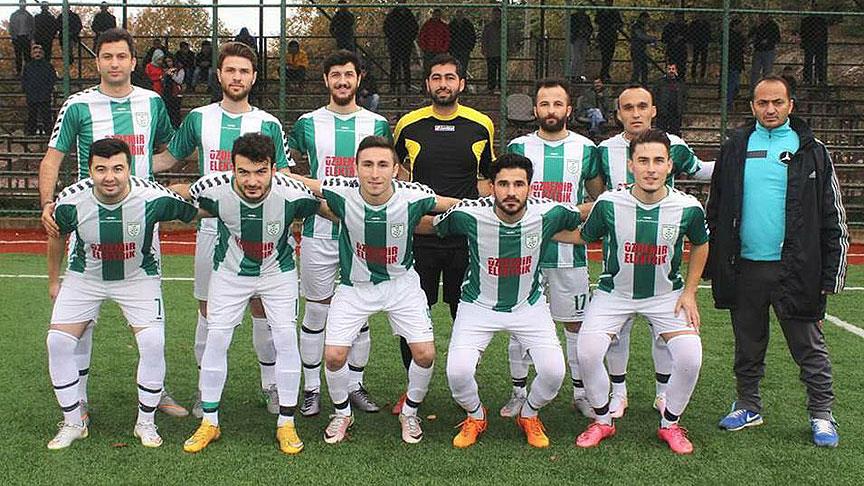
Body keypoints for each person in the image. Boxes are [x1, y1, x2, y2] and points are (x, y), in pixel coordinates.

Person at [38, 28, 183, 417]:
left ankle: (157, 391)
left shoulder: (152, 102)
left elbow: (167, 153)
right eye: (107, 56)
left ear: (134, 62)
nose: (114, 63)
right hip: (89, 224)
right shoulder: (77, 105)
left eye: (121, 56)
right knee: (80, 319)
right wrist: (48, 203)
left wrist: (148, 177)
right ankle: (79, 397)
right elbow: (52, 159)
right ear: (97, 61)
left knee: (151, 317)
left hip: (141, 225)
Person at [153, 41, 294, 419]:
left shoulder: (268, 123)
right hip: (212, 230)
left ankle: (272, 385)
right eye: (230, 70)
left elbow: (283, 177)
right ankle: (206, 390)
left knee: (263, 309)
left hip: (260, 233)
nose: (236, 77)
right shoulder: (199, 118)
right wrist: (126, 169)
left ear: (254, 77)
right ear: (219, 74)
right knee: (208, 310)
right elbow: (168, 159)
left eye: (244, 71)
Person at [707, 75, 849, 448]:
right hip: (746, 268)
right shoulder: (735, 147)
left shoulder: (812, 149)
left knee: (809, 347)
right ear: (752, 106)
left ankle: (821, 413)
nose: (770, 109)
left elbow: (833, 214)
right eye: (762, 103)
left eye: (777, 102)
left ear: (790, 105)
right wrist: (717, 262)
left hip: (797, 268)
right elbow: (716, 208)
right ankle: (748, 405)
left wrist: (831, 273)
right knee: (747, 344)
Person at [289, 136, 459, 445]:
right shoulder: (343, 192)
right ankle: (342, 413)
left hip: (401, 286)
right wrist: (273, 176)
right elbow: (308, 184)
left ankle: (410, 412)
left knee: (425, 354)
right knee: (334, 357)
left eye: (383, 165)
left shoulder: (413, 195)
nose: (375, 173)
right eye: (367, 165)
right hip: (355, 288)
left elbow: (451, 205)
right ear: (356, 168)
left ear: (395, 169)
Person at [45, 138, 199, 450]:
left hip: (137, 278)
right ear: (90, 170)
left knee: (153, 342)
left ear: (129, 168)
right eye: (101, 169)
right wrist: (53, 281)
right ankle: (73, 422)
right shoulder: (70, 200)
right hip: (85, 278)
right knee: (57, 342)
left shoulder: (152, 197)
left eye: (117, 168)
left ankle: (146, 423)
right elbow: (56, 235)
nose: (109, 177)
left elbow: (197, 210)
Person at [428, 154, 588, 449]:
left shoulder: (549, 212)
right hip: (477, 306)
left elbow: (583, 213)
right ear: (491, 187)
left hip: (529, 305)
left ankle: (529, 414)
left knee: (554, 372)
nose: (511, 192)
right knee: (457, 372)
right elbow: (431, 225)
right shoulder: (468, 214)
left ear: (530, 187)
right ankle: (476, 415)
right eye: (503, 184)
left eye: (518, 184)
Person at [568, 129, 709, 455]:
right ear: (631, 165)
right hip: (614, 294)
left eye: (658, 161)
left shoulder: (688, 207)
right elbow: (584, 236)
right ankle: (602, 420)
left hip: (666, 296)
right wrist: (539, 227)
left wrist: (690, 292)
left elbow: (701, 244)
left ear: (670, 166)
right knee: (587, 352)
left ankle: (670, 424)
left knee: (690, 356)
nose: (651, 168)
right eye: (643, 161)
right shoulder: (608, 203)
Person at [182, 133, 320, 455]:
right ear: (232, 168)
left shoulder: (294, 193)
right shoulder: (213, 188)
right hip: (230, 274)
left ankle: (286, 423)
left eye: (260, 172)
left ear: (273, 168)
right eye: (243, 172)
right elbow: (180, 195)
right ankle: (210, 422)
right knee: (217, 337)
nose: (252, 180)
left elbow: (331, 207)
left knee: (285, 337)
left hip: (277, 273)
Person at [587, 84, 713, 419]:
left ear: (653, 110)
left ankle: (662, 394)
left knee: (663, 335)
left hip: (662, 256)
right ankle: (618, 393)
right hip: (620, 260)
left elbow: (700, 169)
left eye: (642, 106)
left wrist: (739, 161)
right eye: (628, 108)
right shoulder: (604, 150)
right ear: (618, 114)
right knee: (617, 334)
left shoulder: (675, 146)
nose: (636, 113)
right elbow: (597, 193)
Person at [288, 50, 392, 417]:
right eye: (336, 75)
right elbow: (288, 166)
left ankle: (354, 386)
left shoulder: (377, 124)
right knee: (317, 311)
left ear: (359, 79)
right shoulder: (307, 123)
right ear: (326, 80)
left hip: (362, 234)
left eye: (349, 75)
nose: (342, 81)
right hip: (318, 231)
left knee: (359, 314)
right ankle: (312, 388)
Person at [392, 53, 495, 414]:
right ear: (427, 83)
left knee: (463, 314)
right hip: (419, 238)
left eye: (450, 78)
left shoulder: (481, 125)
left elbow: (486, 179)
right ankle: (412, 388)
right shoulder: (409, 124)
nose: (443, 84)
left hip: (463, 240)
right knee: (413, 315)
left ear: (461, 83)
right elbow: (399, 175)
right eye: (436, 78)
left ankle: (464, 386)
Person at [502, 79, 604, 420]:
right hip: (524, 254)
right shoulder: (519, 146)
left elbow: (598, 198)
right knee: (519, 324)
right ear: (535, 109)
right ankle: (518, 392)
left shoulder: (585, 148)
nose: (551, 110)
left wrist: (568, 214)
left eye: (557, 104)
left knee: (574, 325)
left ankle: (580, 393)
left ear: (568, 109)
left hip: (569, 255)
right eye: (544, 104)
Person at [383, 0, 418, 94]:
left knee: (406, 65)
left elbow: (415, 28)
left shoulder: (409, 15)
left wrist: (410, 38)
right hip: (394, 44)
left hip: (406, 44)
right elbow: (386, 27)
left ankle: (407, 86)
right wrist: (391, 37)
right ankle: (393, 87)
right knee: (394, 65)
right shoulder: (392, 15)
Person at [23, 43, 56, 136]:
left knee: (46, 115)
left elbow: (52, 79)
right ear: (32, 54)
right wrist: (27, 90)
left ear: (43, 54)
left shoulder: (48, 66)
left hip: (44, 94)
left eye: (39, 52)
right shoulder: (28, 66)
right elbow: (24, 79)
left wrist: (48, 89)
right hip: (32, 94)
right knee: (32, 114)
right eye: (35, 52)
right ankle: (31, 132)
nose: (37, 54)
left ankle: (49, 132)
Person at [799, 4, 830, 86]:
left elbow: (825, 34)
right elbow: (802, 33)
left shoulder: (821, 21)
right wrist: (804, 42)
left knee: (819, 62)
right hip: (810, 43)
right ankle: (808, 79)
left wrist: (824, 43)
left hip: (819, 43)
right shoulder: (806, 21)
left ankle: (820, 79)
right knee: (808, 61)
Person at [653, 63, 687, 136]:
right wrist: (659, 108)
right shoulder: (660, 82)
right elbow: (655, 96)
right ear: (666, 70)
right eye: (669, 69)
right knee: (661, 135)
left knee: (675, 135)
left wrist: (681, 109)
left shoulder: (680, 83)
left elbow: (684, 96)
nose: (671, 71)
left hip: (675, 114)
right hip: (662, 114)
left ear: (676, 70)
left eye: (673, 69)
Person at [595, 0, 623, 81]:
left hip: (611, 36)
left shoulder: (615, 11)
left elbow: (620, 23)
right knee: (604, 56)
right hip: (603, 36)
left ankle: (605, 73)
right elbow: (597, 21)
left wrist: (616, 25)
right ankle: (604, 74)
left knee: (609, 56)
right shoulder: (601, 11)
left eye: (610, 1)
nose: (609, 3)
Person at [749, 14, 780, 84]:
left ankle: (766, 87)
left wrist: (768, 41)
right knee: (755, 72)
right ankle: (754, 88)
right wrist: (756, 27)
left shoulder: (773, 25)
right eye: (760, 16)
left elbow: (777, 38)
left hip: (769, 50)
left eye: (764, 16)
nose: (762, 18)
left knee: (767, 72)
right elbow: (750, 35)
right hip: (758, 50)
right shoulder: (757, 25)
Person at [419, 8, 451, 72]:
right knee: (428, 68)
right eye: (435, 15)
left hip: (440, 51)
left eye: (438, 15)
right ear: (433, 15)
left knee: (439, 68)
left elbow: (447, 38)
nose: (436, 16)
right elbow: (422, 37)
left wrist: (444, 49)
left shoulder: (443, 26)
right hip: (429, 50)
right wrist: (424, 48)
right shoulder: (427, 25)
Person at [629, 12, 656, 86]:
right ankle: (634, 81)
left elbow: (643, 37)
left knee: (644, 67)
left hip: (641, 49)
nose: (647, 21)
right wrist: (652, 39)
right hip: (636, 49)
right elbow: (641, 36)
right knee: (637, 67)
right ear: (642, 18)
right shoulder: (636, 26)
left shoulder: (641, 26)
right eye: (646, 19)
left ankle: (644, 82)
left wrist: (650, 40)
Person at [9, 0, 34, 76]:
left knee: (27, 56)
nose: (23, 5)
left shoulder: (29, 15)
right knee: (18, 55)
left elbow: (32, 27)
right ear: (19, 5)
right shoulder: (14, 15)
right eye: (21, 4)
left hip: (26, 37)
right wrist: (13, 36)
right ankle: (19, 72)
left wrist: (30, 36)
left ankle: (28, 72)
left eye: (24, 4)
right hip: (17, 37)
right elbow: (11, 26)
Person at [449, 11, 476, 79]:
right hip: (454, 49)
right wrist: (450, 49)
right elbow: (448, 37)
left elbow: (472, 36)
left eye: (460, 15)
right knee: (454, 68)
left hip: (465, 49)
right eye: (457, 15)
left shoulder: (468, 24)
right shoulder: (451, 24)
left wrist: (470, 47)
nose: (459, 16)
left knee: (463, 68)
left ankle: (463, 83)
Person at [661, 12, 688, 79]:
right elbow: (664, 39)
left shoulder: (685, 27)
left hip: (681, 50)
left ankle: (681, 80)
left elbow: (690, 38)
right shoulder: (669, 26)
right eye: (677, 17)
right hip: (672, 49)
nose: (678, 19)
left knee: (681, 67)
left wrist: (682, 38)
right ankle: (671, 80)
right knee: (671, 66)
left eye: (680, 17)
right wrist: (672, 39)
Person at [726, 18, 745, 110]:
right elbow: (741, 44)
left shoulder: (733, 35)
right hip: (733, 62)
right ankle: (729, 103)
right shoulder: (734, 36)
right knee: (732, 83)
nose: (741, 28)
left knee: (734, 82)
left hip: (735, 62)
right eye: (739, 26)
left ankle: (732, 100)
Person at [160, 54, 184, 128]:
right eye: (167, 61)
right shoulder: (164, 70)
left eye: (170, 61)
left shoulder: (180, 70)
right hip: (167, 93)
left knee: (176, 112)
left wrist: (172, 75)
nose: (169, 63)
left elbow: (180, 81)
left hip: (176, 94)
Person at [481, 8, 502, 93]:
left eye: (498, 14)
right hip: (491, 52)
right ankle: (491, 87)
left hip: (501, 52)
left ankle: (501, 87)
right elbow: (484, 38)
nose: (496, 16)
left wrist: (509, 50)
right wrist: (484, 49)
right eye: (495, 14)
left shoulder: (504, 25)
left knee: (501, 71)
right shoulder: (488, 26)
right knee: (491, 70)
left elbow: (510, 38)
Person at [570, 9, 593, 82]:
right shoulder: (573, 17)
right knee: (576, 57)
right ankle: (572, 75)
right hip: (576, 39)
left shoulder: (586, 17)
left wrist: (586, 32)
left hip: (584, 38)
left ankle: (580, 75)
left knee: (582, 57)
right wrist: (578, 31)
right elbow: (571, 27)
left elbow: (590, 28)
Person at [687, 14, 711, 80]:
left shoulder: (706, 24)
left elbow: (709, 33)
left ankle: (702, 76)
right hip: (696, 44)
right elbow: (690, 33)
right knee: (695, 59)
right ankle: (693, 75)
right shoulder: (694, 24)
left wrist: (707, 41)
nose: (701, 17)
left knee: (704, 60)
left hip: (704, 44)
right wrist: (691, 42)